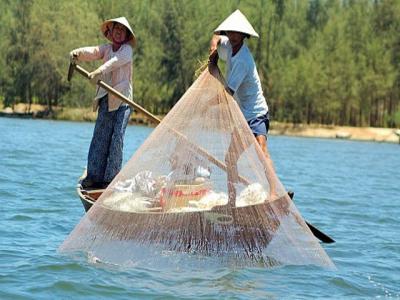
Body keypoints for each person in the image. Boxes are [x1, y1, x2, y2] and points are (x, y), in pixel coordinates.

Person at [208, 10, 279, 201]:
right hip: (242, 116)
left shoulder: (243, 60)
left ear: (243, 35)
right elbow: (216, 36)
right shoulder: (229, 46)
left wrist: (207, 105)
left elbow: (228, 93)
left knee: (261, 151)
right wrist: (213, 48)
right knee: (230, 159)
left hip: (256, 113)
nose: (232, 36)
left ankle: (273, 193)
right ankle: (231, 201)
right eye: (230, 32)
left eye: (236, 33)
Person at [70, 17, 136, 189]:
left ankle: (110, 179)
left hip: (122, 101)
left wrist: (98, 71)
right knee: (100, 137)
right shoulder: (106, 49)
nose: (119, 32)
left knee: (116, 139)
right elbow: (93, 51)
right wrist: (77, 53)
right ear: (110, 32)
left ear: (126, 35)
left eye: (123, 30)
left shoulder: (127, 50)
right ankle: (94, 176)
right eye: (116, 29)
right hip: (106, 99)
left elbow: (115, 63)